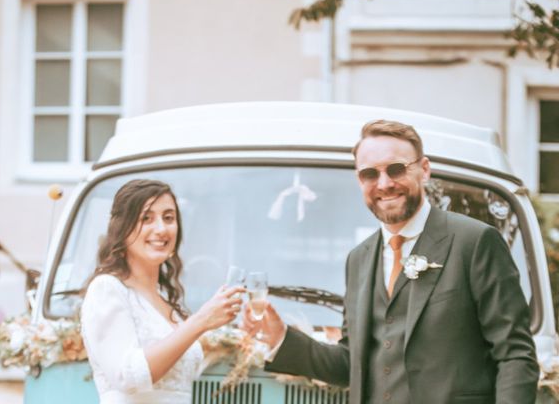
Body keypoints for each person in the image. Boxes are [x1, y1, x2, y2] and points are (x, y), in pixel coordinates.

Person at [244, 120, 539, 404]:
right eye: (369, 174)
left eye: (396, 169)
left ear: (424, 170)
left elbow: (514, 355)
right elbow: (352, 362)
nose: (384, 184)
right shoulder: (359, 259)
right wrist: (281, 337)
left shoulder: (474, 242)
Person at [81, 179, 243, 404]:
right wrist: (200, 322)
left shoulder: (166, 301)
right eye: (146, 218)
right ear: (122, 228)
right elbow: (127, 376)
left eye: (169, 218)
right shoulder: (106, 289)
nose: (161, 229)